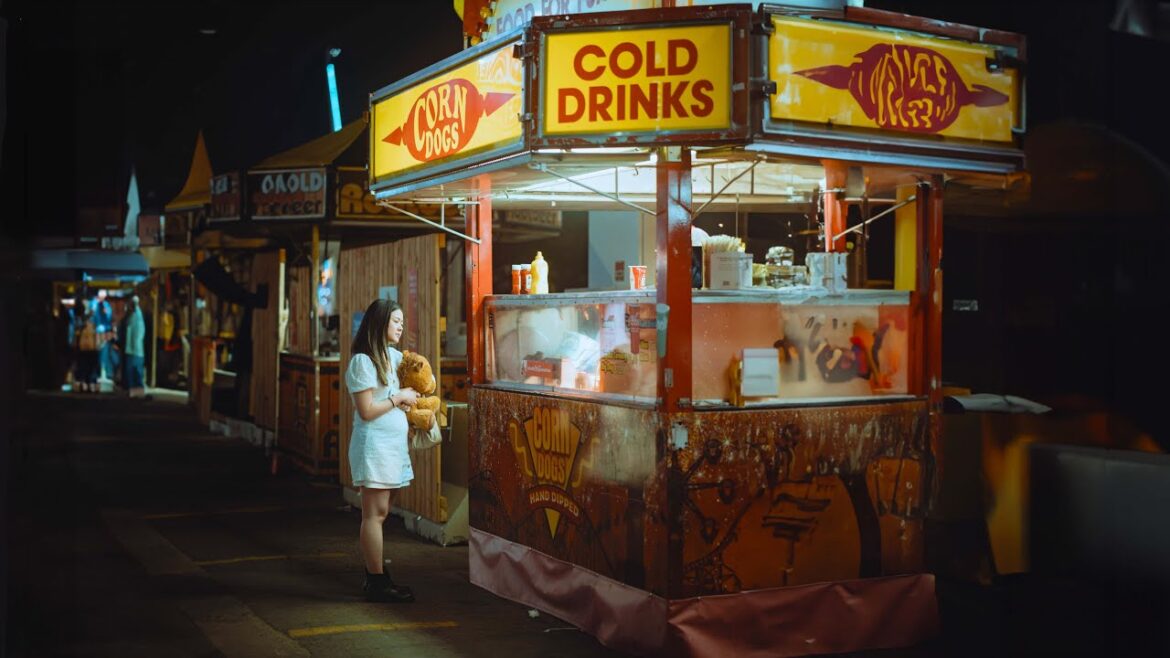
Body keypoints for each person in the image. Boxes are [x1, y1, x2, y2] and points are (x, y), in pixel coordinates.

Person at [345, 298, 419, 603]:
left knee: (383, 512)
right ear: (380, 323)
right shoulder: (363, 361)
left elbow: (416, 379)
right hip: (374, 447)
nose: (401, 326)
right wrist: (399, 396)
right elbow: (366, 410)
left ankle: (374, 575)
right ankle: (376, 581)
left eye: (402, 321)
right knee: (373, 515)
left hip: (393, 447)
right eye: (396, 321)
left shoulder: (393, 357)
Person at [122, 295, 148, 399]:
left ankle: (136, 390)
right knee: (134, 371)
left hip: (134, 350)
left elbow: (136, 334)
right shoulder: (136, 315)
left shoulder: (135, 316)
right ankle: (135, 390)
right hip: (134, 349)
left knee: (134, 371)